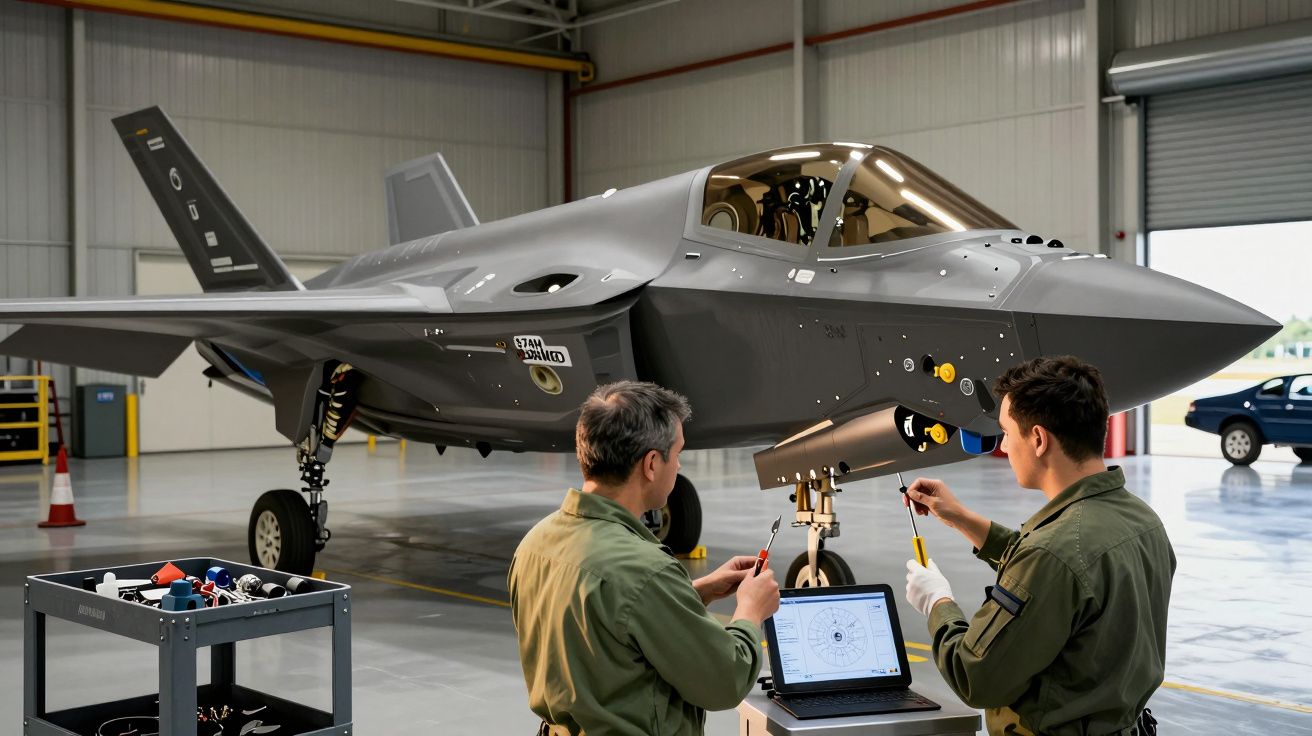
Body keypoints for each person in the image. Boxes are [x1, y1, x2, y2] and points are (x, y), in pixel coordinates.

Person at [903, 356, 1174, 735]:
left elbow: (975, 676)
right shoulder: (1142, 521)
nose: (1005, 445)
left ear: (1039, 439)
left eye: (1007, 433)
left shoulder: (1056, 551)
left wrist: (937, 603)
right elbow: (1062, 578)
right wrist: (961, 517)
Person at [508, 380, 781, 735]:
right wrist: (750, 610)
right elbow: (724, 681)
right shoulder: (644, 572)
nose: (679, 466)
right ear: (651, 464)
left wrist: (694, 592)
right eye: (677, 454)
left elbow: (603, 621)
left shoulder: (535, 544)